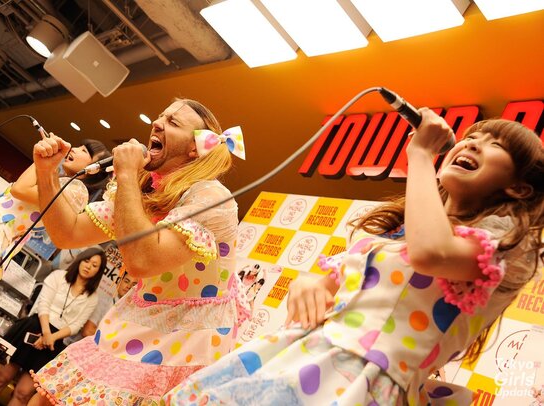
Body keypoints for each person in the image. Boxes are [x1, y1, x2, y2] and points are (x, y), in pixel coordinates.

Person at [166, 111, 544, 405]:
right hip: (303, 357)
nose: (472, 144)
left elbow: (431, 253)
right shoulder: (398, 235)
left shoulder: (505, 249)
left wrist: (419, 154)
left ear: (520, 187)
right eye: (471, 137)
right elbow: (340, 281)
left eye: (494, 144)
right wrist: (312, 284)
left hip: (363, 385)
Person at [27, 98, 250, 405]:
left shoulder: (212, 197)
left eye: (173, 122)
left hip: (184, 342)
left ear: (194, 148)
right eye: (161, 116)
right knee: (43, 400)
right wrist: (47, 173)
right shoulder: (146, 192)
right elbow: (68, 233)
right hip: (138, 320)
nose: (157, 123)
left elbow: (142, 261)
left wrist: (127, 175)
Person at [0, 131, 111, 372]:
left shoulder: (76, 191)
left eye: (85, 152)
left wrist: (43, 160)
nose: (76, 150)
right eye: (79, 147)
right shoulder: (56, 179)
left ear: (95, 169)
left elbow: (19, 189)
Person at [0, 247, 107, 405]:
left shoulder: (92, 297)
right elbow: (43, 305)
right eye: (87, 260)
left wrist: (50, 338)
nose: (88, 266)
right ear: (80, 260)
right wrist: (46, 334)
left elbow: (76, 326)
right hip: (34, 326)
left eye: (94, 265)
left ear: (98, 271)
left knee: (23, 393)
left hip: (54, 343)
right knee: (0, 378)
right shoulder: (58, 276)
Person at [64, 267, 139, 345]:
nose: (129, 286)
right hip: (77, 345)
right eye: (126, 281)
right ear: (119, 282)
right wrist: (113, 342)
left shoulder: (133, 315)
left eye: (134, 285)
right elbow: (87, 331)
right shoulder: (102, 301)